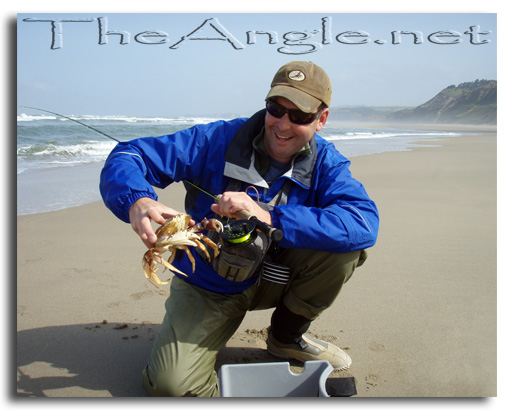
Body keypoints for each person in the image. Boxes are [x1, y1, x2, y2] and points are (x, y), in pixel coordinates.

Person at [100, 61, 379, 397]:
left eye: (300, 116)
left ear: (321, 120)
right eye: (275, 109)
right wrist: (136, 200)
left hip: (279, 276)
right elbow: (130, 155)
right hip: (210, 281)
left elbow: (363, 221)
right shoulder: (214, 139)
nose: (282, 124)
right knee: (169, 387)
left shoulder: (327, 163)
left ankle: (286, 338)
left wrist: (270, 218)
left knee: (346, 249)